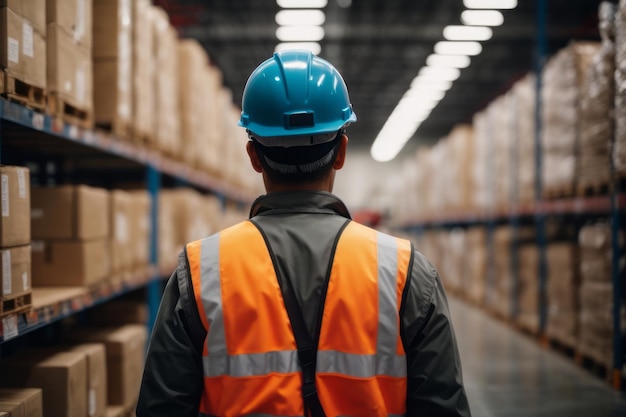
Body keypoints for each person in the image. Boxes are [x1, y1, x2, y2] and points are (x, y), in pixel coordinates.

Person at [136, 50, 471, 417]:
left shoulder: (201, 273)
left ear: (253, 156)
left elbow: (160, 408)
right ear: (341, 152)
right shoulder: (406, 272)